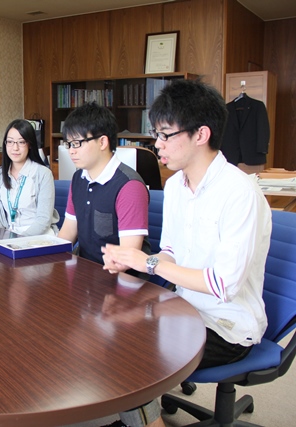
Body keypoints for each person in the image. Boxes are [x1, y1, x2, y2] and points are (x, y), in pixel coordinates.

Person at [101, 79, 272, 427]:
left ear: (201, 134)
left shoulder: (239, 193)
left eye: (166, 135)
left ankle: (147, 421)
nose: (157, 144)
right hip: (185, 311)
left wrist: (145, 262)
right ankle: (144, 418)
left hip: (228, 325)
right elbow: (172, 253)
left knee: (134, 355)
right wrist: (134, 261)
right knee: (110, 328)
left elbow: (222, 284)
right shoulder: (177, 186)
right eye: (156, 133)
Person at [57, 102, 150, 276]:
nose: (71, 151)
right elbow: (68, 233)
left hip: (121, 281)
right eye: (68, 144)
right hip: (85, 276)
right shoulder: (78, 178)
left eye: (77, 143)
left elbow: (127, 258)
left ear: (102, 142)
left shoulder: (129, 186)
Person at [0, 119, 59, 236]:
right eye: (10, 142)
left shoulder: (43, 174)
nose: (15, 148)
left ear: (30, 144)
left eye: (21, 142)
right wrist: (0, 239)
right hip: (8, 236)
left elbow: (43, 220)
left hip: (38, 236)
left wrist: (20, 240)